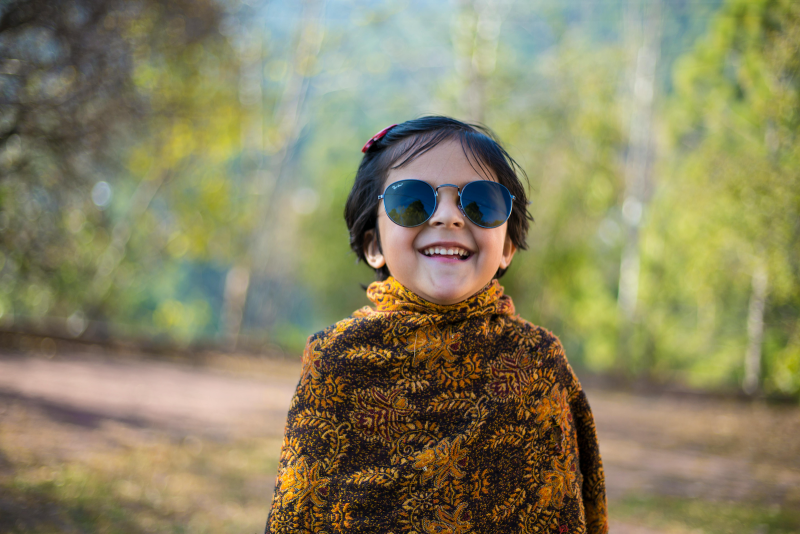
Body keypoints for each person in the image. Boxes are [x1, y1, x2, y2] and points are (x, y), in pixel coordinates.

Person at [265, 116, 608, 534]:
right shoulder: (336, 361)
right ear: (374, 244)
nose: (449, 217)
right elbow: (301, 516)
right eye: (411, 200)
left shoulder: (536, 364)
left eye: (481, 202)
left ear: (508, 248)